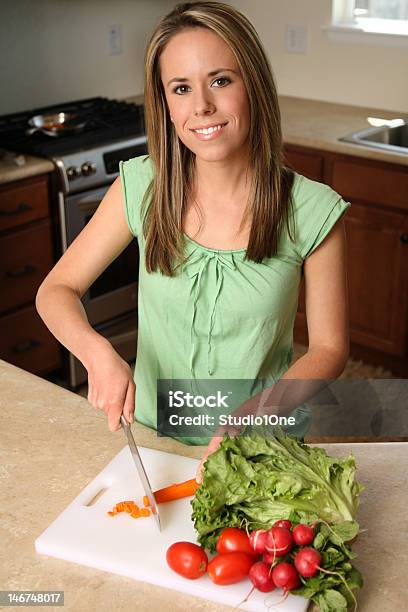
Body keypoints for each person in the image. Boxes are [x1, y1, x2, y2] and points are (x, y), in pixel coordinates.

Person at [36, 1, 350, 483]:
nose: (201, 105)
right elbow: (55, 291)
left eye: (221, 80)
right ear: (165, 102)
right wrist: (98, 354)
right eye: (180, 88)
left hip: (261, 444)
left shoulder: (312, 210)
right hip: (152, 437)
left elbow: (328, 348)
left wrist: (252, 418)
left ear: (254, 87)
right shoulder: (143, 186)